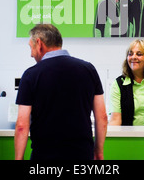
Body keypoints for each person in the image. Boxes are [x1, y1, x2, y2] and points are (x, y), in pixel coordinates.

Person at [15, 24, 108, 160]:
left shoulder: (31, 75)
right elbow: (102, 117)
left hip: (44, 155)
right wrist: (98, 152)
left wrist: (18, 158)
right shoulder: (88, 70)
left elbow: (22, 126)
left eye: (31, 47)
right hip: (82, 155)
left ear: (39, 44)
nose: (31, 54)